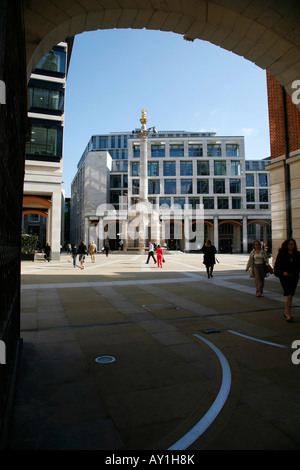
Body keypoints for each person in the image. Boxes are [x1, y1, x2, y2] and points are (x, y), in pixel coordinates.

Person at [274, 238, 300, 322]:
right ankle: (288, 314)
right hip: (285, 277)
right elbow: (277, 265)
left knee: (291, 294)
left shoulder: (297, 254)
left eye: (293, 244)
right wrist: (282, 272)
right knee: (288, 294)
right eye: (290, 244)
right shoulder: (282, 254)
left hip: (294, 276)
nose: (291, 245)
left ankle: (286, 312)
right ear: (286, 245)